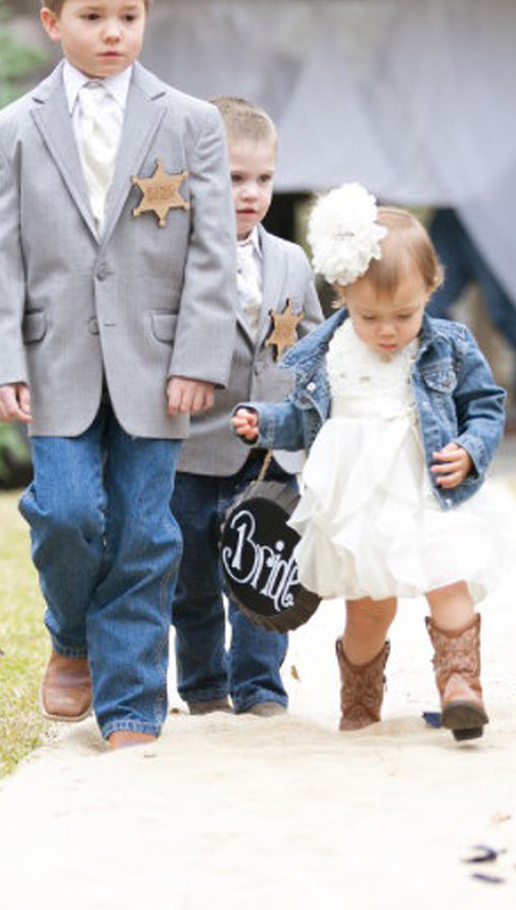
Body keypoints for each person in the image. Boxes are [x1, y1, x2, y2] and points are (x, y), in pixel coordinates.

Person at [0, 0, 237, 750]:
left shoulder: (191, 123)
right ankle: (71, 637)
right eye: (93, 17)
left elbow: (213, 252)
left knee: (145, 530)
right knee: (65, 513)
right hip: (52, 361)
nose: (114, 32)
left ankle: (130, 705)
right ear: (52, 21)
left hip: (159, 364)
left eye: (129, 15)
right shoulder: (9, 131)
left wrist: (200, 357)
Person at [232, 185, 506, 742]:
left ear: (431, 288)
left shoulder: (447, 345)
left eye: (404, 314)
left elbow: (485, 405)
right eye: (369, 316)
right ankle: (359, 701)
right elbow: (301, 420)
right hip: (359, 505)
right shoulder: (329, 353)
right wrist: (265, 423)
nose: (386, 330)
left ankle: (460, 686)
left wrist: (471, 449)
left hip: (426, 491)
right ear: (342, 294)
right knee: (368, 611)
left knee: (447, 580)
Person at [170, 96, 323, 718]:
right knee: (193, 586)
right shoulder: (175, 258)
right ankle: (204, 688)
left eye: (263, 179)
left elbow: (313, 346)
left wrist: (310, 418)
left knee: (265, 576)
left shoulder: (291, 260)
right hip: (190, 451)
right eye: (234, 178)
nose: (251, 193)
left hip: (269, 456)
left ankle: (260, 689)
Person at [427, 207, 516, 432]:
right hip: (456, 210)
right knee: (427, 308)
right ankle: (440, 402)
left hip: (488, 213)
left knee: (507, 314)